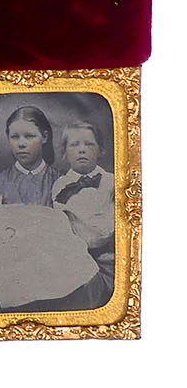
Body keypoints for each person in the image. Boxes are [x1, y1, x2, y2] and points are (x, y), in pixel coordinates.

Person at [0, 191, 102, 312]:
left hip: (24, 244)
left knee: (41, 255)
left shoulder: (12, 214)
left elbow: (42, 217)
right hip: (2, 255)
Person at [52, 120, 116, 305]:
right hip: (71, 254)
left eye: (89, 144)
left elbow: (110, 226)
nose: (82, 150)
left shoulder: (111, 182)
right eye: (74, 145)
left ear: (101, 150)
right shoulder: (60, 185)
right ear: (64, 153)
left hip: (104, 255)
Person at [0, 105, 59, 206]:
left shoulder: (59, 181)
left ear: (44, 137)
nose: (21, 144)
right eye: (15, 137)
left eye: (29, 136)